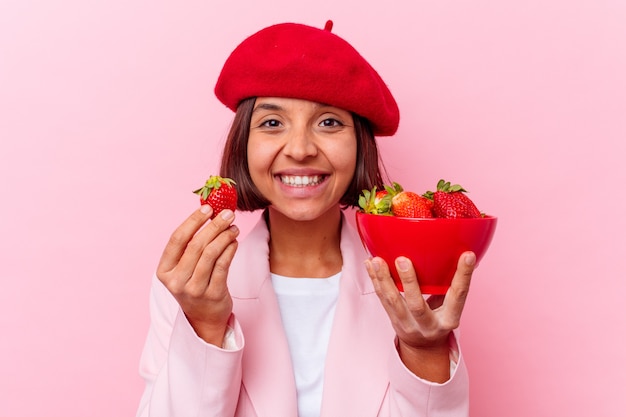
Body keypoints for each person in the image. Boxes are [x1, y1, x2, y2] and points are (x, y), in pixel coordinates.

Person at [136, 20, 476, 417]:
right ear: (243, 144)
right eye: (272, 123)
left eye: (329, 122)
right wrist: (206, 329)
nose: (299, 149)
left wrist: (425, 351)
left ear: (359, 146)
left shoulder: (413, 288)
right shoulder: (189, 285)